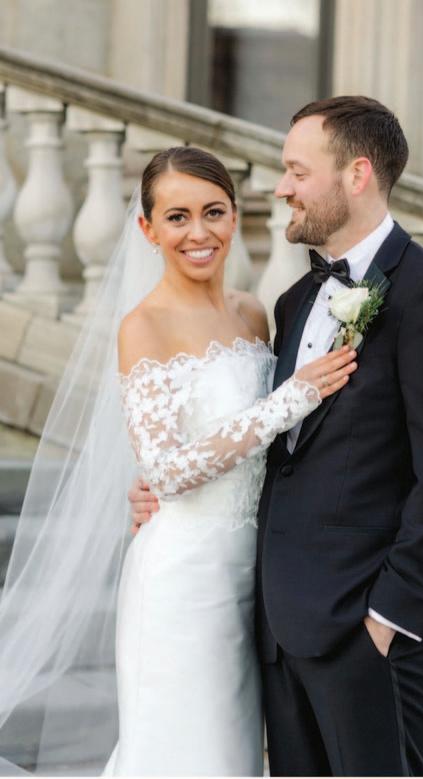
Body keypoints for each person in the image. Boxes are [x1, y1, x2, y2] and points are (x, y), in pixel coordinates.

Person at [130, 97, 423, 777]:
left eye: (297, 171)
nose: (281, 188)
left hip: (368, 630)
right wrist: (163, 484)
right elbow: (282, 449)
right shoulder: (294, 302)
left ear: (356, 175)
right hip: (276, 628)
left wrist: (389, 617)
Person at [0, 147, 357, 777]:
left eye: (213, 212)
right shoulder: (144, 326)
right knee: (184, 754)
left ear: (234, 216)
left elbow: (265, 453)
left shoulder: (252, 313)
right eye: (177, 217)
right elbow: (166, 471)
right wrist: (290, 400)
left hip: (255, 575)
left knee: (233, 756)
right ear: (148, 229)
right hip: (182, 580)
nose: (199, 232)